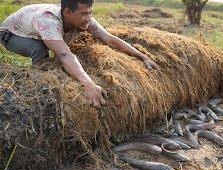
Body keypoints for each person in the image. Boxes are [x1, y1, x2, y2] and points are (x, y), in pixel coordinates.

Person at [0, 0, 160, 107]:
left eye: (90, 13)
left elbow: (109, 38)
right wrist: (88, 84)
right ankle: (40, 83)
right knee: (40, 50)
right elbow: (64, 55)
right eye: (84, 14)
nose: (88, 18)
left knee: (61, 47)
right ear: (68, 12)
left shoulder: (84, 19)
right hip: (12, 34)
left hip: (37, 29)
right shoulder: (48, 22)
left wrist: (142, 56)